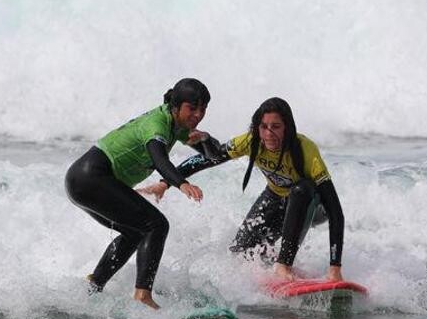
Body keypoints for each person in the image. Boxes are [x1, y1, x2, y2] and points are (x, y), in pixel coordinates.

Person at [145, 97, 344, 282]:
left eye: (276, 127)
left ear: (287, 128)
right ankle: (273, 265)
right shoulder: (252, 141)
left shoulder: (305, 149)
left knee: (301, 189)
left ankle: (284, 266)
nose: (269, 134)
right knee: (241, 253)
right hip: (276, 197)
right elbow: (210, 159)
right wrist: (166, 183)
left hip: (312, 206)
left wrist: (335, 268)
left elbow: (335, 211)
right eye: (264, 127)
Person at [64, 78, 217, 310]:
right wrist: (180, 183)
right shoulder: (157, 124)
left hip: (83, 181)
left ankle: (93, 288)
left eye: (203, 109)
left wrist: (204, 138)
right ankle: (142, 295)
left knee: (135, 232)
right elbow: (158, 157)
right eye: (192, 108)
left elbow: (213, 154)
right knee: (156, 225)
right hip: (91, 176)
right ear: (176, 106)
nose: (198, 114)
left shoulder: (178, 124)